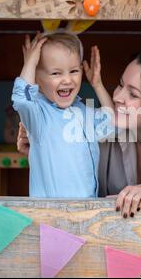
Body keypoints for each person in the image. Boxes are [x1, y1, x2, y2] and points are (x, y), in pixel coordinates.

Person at [18, 48, 141, 218]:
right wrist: (45, 147)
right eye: (121, 85)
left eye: (133, 94)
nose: (117, 97)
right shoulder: (98, 138)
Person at [12, 31, 114, 198]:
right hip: (51, 218)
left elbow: (111, 123)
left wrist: (98, 85)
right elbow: (22, 99)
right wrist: (30, 63)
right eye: (56, 73)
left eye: (73, 71)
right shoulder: (39, 116)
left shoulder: (84, 112)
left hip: (87, 215)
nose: (67, 79)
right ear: (36, 78)